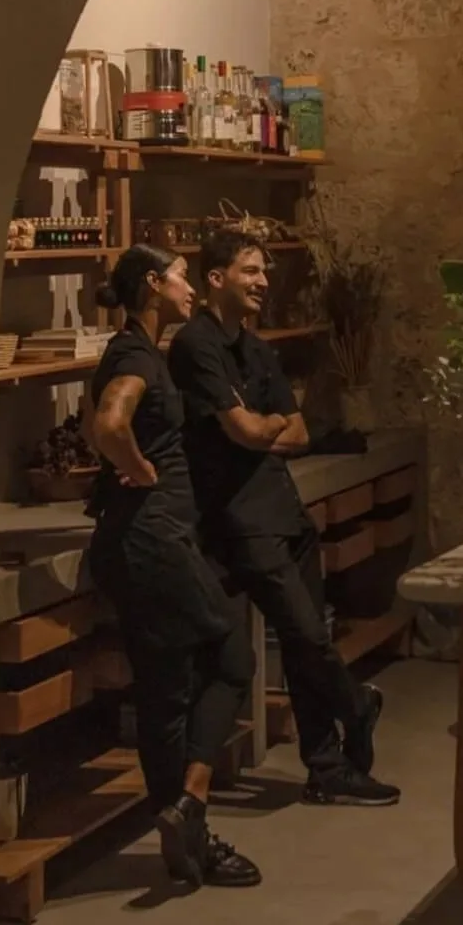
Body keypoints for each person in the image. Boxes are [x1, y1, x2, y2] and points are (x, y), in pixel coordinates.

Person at [168, 229, 400, 807]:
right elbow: (247, 429)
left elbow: (294, 433)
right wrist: (257, 428)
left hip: (286, 511)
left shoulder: (257, 348)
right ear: (215, 278)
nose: (263, 282)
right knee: (305, 634)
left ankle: (327, 767)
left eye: (264, 271)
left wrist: (258, 429)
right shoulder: (195, 345)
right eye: (250, 271)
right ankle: (357, 705)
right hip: (241, 521)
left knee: (306, 645)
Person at [85, 246, 262, 890]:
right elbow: (110, 423)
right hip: (154, 540)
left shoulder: (137, 350)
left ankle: (185, 844)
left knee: (166, 693)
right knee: (233, 657)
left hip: (143, 541)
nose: (190, 289)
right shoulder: (135, 356)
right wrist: (137, 467)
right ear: (153, 284)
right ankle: (192, 801)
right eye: (183, 277)